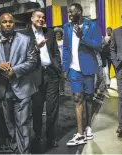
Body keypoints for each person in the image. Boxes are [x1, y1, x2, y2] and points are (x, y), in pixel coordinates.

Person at [0, 13, 38, 154]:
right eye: (4, 22)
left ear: (14, 23)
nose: (8, 24)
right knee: (10, 125)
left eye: (10, 22)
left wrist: (14, 70)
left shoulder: (26, 39)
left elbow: (32, 61)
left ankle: (24, 152)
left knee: (23, 123)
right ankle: (16, 150)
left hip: (22, 87)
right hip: (2, 90)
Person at [62, 3, 102, 146]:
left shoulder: (91, 25)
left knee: (89, 99)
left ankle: (88, 127)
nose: (70, 15)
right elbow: (66, 48)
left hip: (89, 68)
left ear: (79, 11)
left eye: (72, 12)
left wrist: (82, 37)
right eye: (68, 13)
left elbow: (98, 45)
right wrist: (64, 68)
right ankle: (80, 134)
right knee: (77, 99)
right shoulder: (66, 27)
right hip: (74, 69)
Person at [22, 10, 61, 148]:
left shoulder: (49, 32)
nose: (41, 19)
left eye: (43, 17)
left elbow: (56, 53)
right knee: (37, 109)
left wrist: (58, 66)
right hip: (35, 76)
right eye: (38, 17)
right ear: (32, 18)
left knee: (52, 108)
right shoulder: (24, 35)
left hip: (51, 74)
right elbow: (23, 56)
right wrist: (36, 48)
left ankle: (51, 137)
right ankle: (38, 135)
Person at [54, 27, 65, 96]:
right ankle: (55, 90)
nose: (58, 35)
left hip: (62, 62)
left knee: (62, 77)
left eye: (59, 34)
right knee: (55, 77)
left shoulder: (63, 42)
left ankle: (62, 90)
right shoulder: (53, 42)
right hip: (55, 63)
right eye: (56, 34)